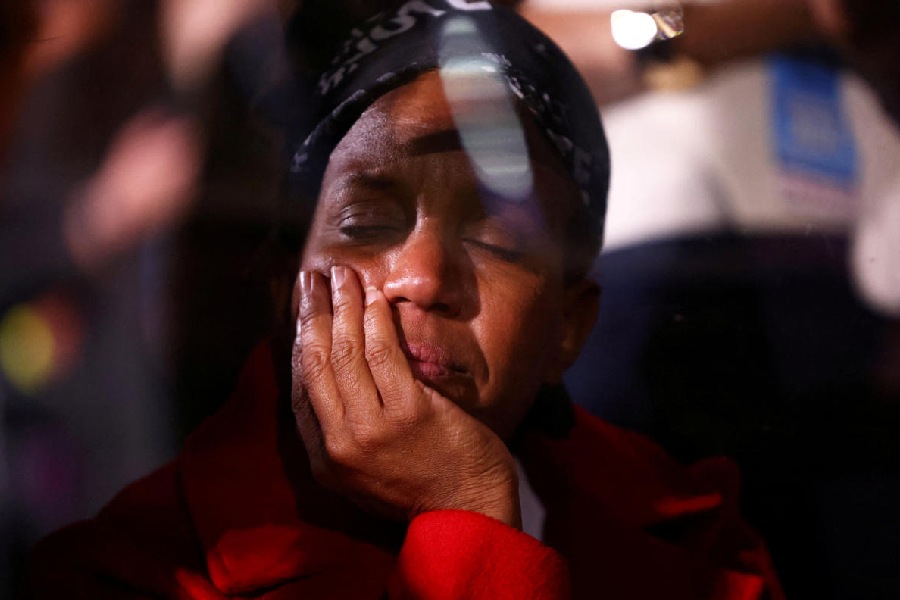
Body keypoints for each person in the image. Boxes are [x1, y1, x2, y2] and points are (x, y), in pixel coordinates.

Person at [27, 3, 783, 598]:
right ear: (288, 285)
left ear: (569, 326)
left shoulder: (705, 554)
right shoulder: (131, 572)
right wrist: (467, 512)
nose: (421, 277)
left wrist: (469, 504)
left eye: (497, 238)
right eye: (365, 224)